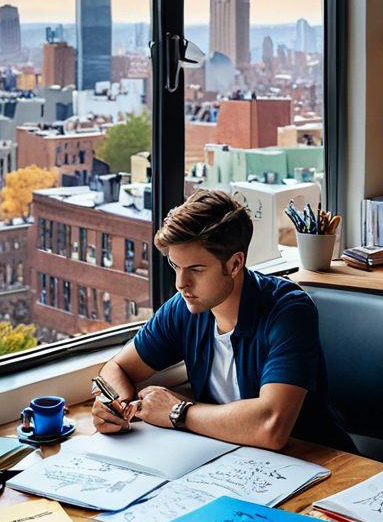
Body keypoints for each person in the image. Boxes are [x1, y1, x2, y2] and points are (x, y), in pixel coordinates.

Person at [91, 189, 343, 450]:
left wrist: (178, 412)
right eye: (175, 266)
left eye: (196, 270)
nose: (180, 284)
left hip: (317, 462)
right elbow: (116, 368)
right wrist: (114, 406)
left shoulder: (289, 311)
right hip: (227, 458)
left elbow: (271, 426)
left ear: (234, 265)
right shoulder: (184, 308)